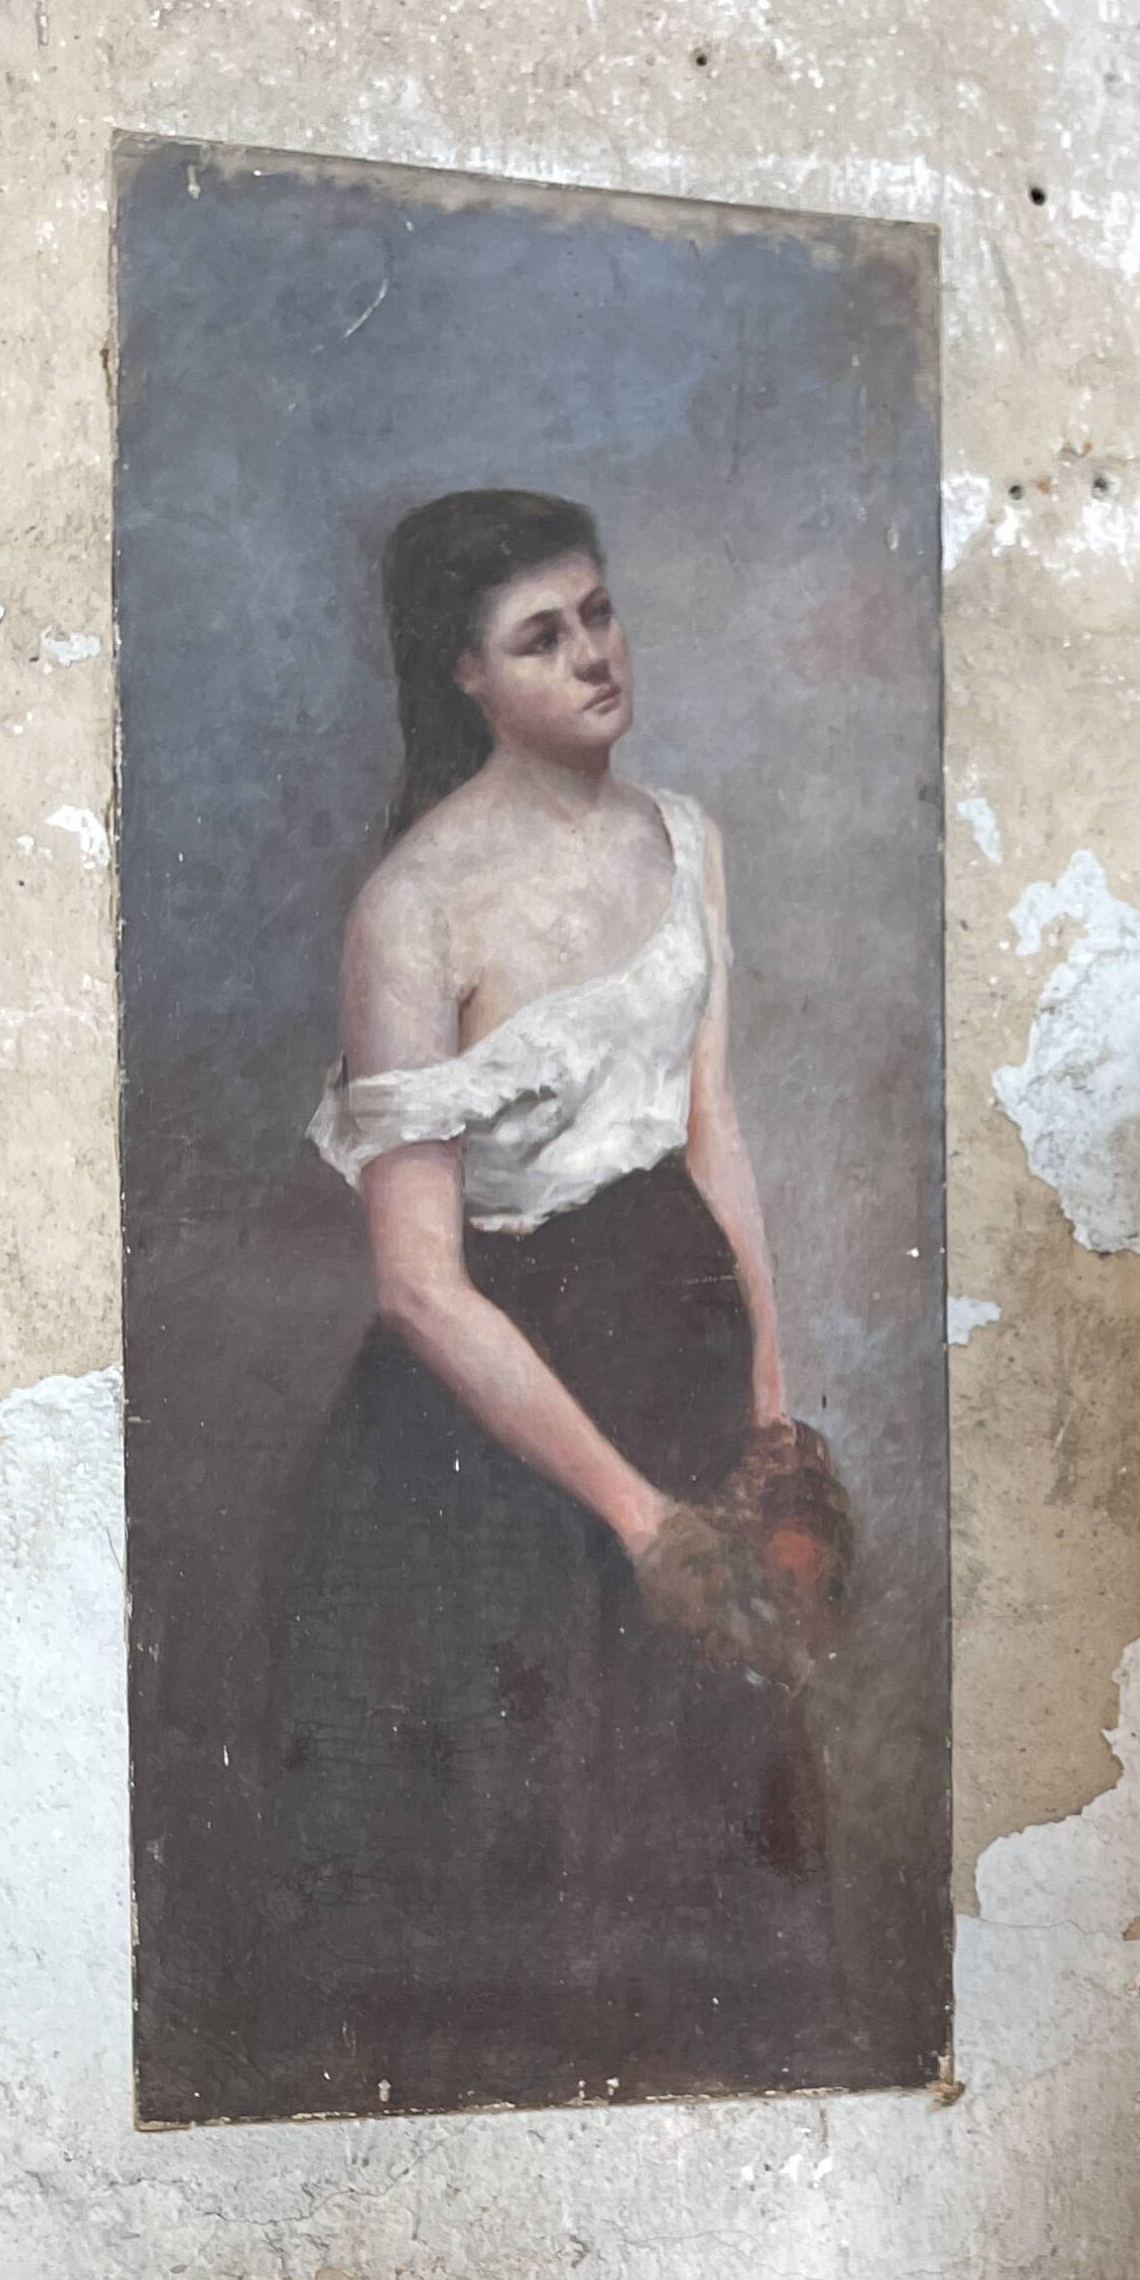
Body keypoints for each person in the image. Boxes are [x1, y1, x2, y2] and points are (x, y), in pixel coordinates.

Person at [275, 487, 841, 2096]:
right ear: (464, 674)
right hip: (504, 1441)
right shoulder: (415, 909)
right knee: (550, 1872)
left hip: (681, 1353)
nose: (594, 656)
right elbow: (418, 1290)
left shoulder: (686, 838)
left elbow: (710, 1130)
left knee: (717, 1836)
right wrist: (644, 1519)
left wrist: (770, 1433)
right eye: (544, 637)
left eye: (598, 613)